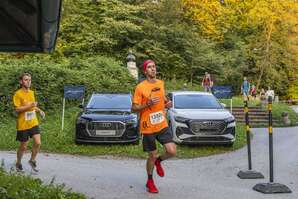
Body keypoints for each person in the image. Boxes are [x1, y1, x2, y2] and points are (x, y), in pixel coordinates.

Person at [132, 60, 176, 194]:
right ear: (145, 71)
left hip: (162, 124)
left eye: (154, 67)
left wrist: (167, 103)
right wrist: (147, 104)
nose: (153, 69)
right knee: (152, 155)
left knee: (172, 151)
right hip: (148, 126)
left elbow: (162, 99)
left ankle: (159, 161)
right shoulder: (140, 87)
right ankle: (150, 180)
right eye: (149, 67)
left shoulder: (161, 83)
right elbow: (133, 108)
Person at [13, 73, 45, 172]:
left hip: (33, 122)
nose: (28, 81)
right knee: (24, 146)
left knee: (38, 142)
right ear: (21, 81)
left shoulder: (31, 92)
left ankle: (32, 160)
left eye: (30, 80)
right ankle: (18, 162)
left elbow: (32, 106)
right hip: (23, 124)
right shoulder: (17, 94)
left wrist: (39, 110)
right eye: (26, 80)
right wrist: (30, 105)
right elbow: (17, 109)